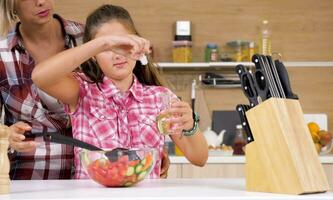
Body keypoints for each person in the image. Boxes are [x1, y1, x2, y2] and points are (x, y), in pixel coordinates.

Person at [32, 4, 208, 178]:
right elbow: (40, 76)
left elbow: (199, 159)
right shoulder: (81, 91)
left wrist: (191, 126)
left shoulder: (160, 97)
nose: (117, 55)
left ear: (136, 43)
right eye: (106, 49)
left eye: (123, 43)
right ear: (93, 55)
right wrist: (101, 43)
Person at [0, 0, 170, 179]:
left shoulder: (93, 37)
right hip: (31, 177)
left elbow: (133, 94)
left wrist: (151, 149)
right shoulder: (2, 56)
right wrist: (6, 136)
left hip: (96, 178)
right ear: (10, 4)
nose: (41, 1)